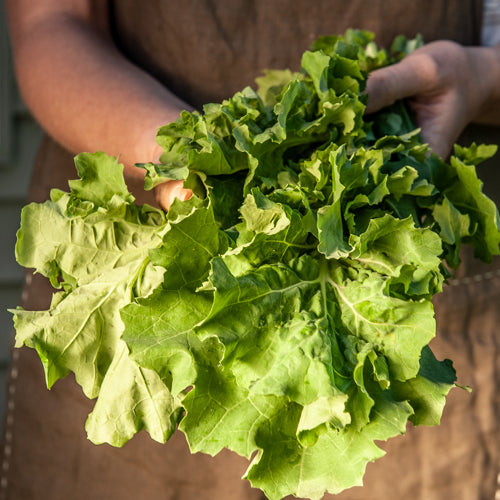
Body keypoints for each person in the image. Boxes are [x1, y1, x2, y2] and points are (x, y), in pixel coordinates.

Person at [1, 1, 500, 499]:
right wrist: (174, 158)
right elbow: (51, 23)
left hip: (422, 288)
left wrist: (479, 76)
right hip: (153, 246)